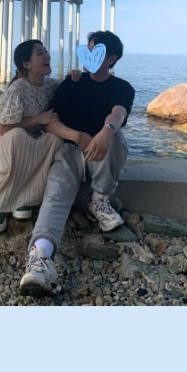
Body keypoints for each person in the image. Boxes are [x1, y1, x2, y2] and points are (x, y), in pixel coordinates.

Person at [20, 30, 135, 297]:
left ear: (111, 58)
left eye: (97, 51)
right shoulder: (72, 82)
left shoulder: (122, 87)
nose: (89, 55)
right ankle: (40, 259)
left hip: (101, 156)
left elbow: (119, 112)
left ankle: (99, 199)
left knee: (117, 137)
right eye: (88, 48)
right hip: (70, 152)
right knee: (56, 195)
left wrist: (106, 131)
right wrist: (78, 137)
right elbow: (52, 120)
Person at [0, 40, 63, 234]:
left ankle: (23, 199)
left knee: (55, 139)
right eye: (40, 53)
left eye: (46, 51)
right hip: (8, 141)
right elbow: (3, 129)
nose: (47, 56)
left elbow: (70, 89)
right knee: (16, 135)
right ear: (26, 64)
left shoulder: (49, 85)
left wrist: (75, 75)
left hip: (32, 140)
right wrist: (39, 119)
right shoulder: (18, 88)